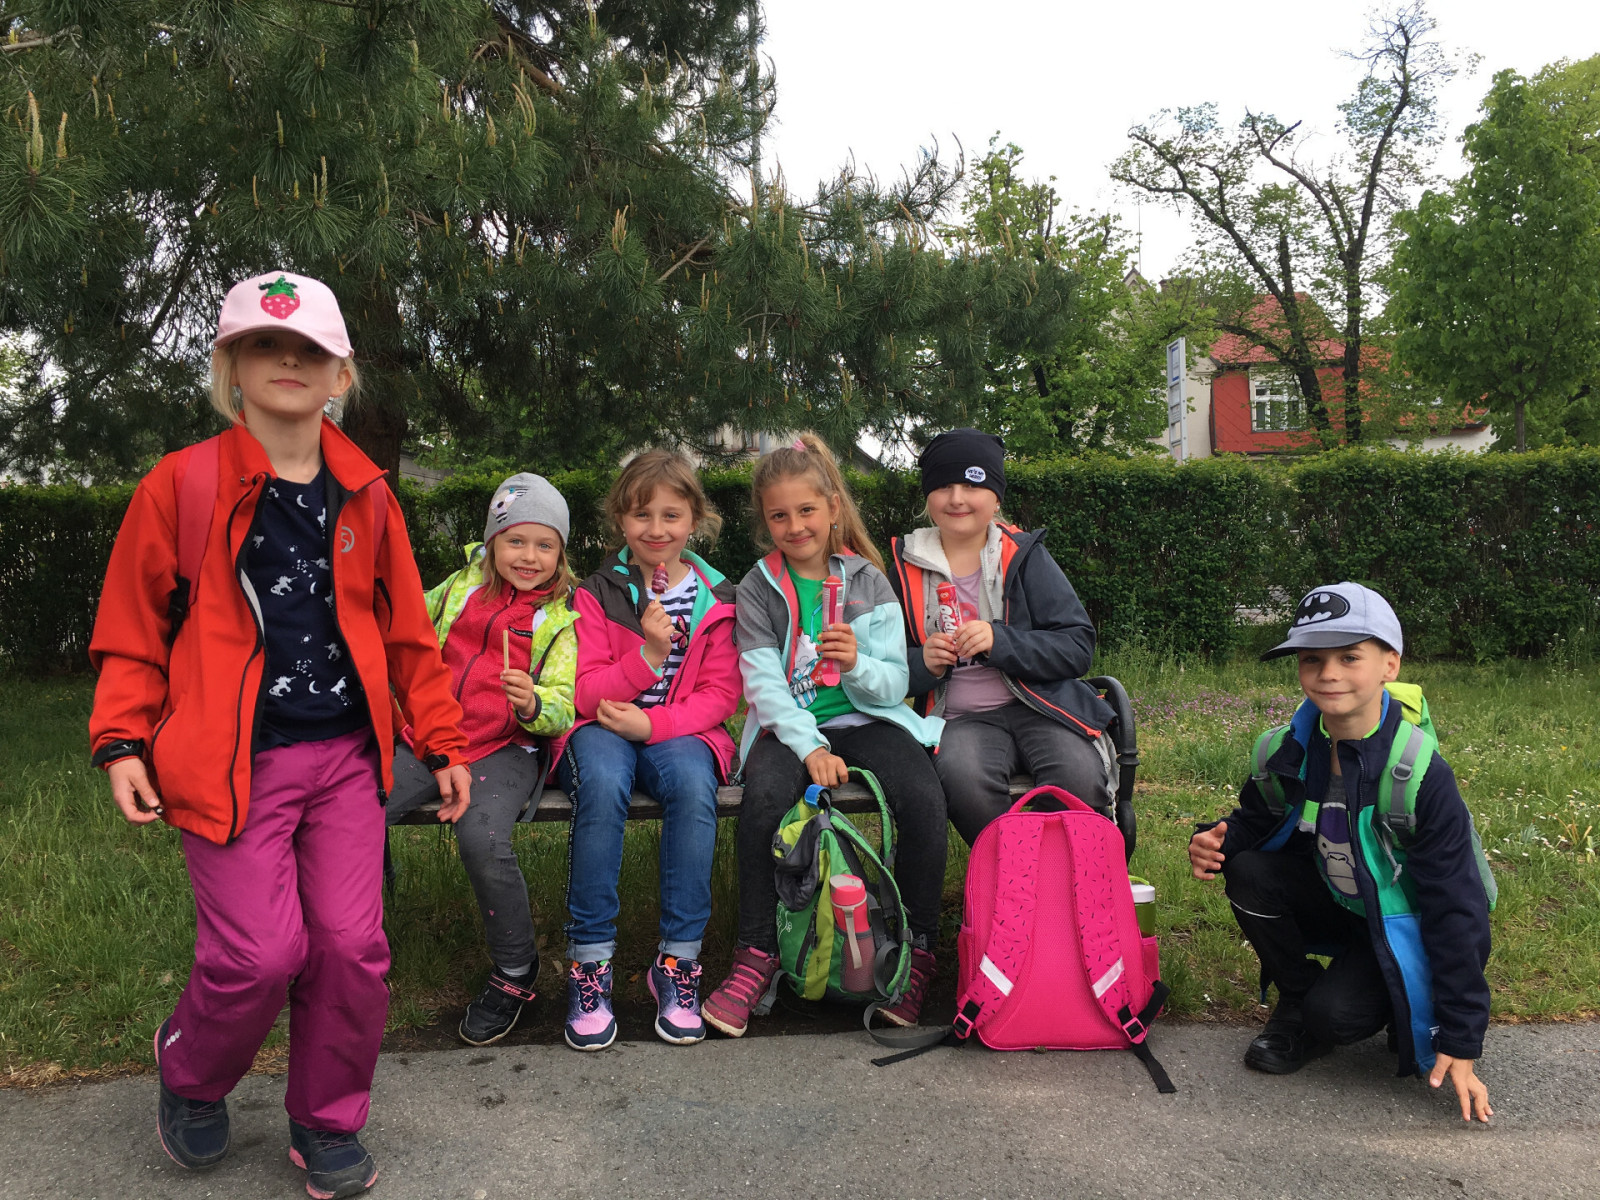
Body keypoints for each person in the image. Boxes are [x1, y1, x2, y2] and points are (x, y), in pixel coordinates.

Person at [88, 271, 470, 1198]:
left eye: (309, 349)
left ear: (341, 375)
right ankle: (189, 1071)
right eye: (265, 344)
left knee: (350, 950)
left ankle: (326, 1120)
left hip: (345, 761)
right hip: (230, 764)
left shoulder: (367, 494)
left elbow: (408, 636)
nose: (287, 360)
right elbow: (134, 629)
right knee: (258, 957)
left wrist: (443, 740)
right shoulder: (181, 484)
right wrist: (122, 739)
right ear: (232, 367)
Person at [1188, 583, 1494, 1123]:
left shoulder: (1420, 775)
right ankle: (1297, 998)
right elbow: (1256, 818)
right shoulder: (1286, 748)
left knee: (1336, 1017)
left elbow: (1456, 907)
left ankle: (1382, 997)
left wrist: (1460, 1035)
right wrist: (1218, 841)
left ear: (1389, 665)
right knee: (1250, 870)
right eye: (1312, 659)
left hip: (1407, 922)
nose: (1328, 673)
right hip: (1345, 903)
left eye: (1350, 657)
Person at [703, 434, 948, 1038]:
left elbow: (893, 685)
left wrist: (858, 662)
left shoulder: (866, 581)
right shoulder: (759, 586)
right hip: (789, 728)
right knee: (764, 799)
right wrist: (809, 747)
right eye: (779, 516)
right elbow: (763, 685)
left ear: (833, 507)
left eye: (807, 510)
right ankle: (757, 953)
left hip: (865, 720)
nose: (795, 526)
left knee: (923, 795)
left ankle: (916, 952)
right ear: (765, 521)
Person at [384, 473, 578, 1046]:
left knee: (482, 837)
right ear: (492, 541)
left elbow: (563, 707)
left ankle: (516, 969)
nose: (529, 557)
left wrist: (534, 703)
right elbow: (407, 630)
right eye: (516, 540)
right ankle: (358, 945)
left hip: (507, 747)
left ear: (561, 553)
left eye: (545, 545)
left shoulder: (559, 619)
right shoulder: (458, 589)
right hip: (430, 737)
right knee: (357, 808)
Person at [557, 451, 740, 1050]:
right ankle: (590, 962)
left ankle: (678, 961)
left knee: (692, 787)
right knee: (603, 785)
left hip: (677, 730)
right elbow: (584, 691)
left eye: (671, 515)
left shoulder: (719, 596)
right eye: (641, 515)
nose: (656, 530)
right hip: (602, 725)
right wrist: (649, 657)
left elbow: (721, 695)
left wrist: (653, 725)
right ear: (620, 520)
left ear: (695, 520)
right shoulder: (598, 592)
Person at [888, 428, 1115, 846]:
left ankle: (1060, 872)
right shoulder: (905, 567)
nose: (956, 498)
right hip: (960, 720)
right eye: (943, 486)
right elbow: (885, 667)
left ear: (996, 498)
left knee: (1079, 777)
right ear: (927, 498)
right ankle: (1010, 873)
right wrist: (923, 664)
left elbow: (1077, 646)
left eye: (972, 484)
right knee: (963, 779)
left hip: (1042, 709)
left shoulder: (1026, 557)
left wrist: (1001, 642)